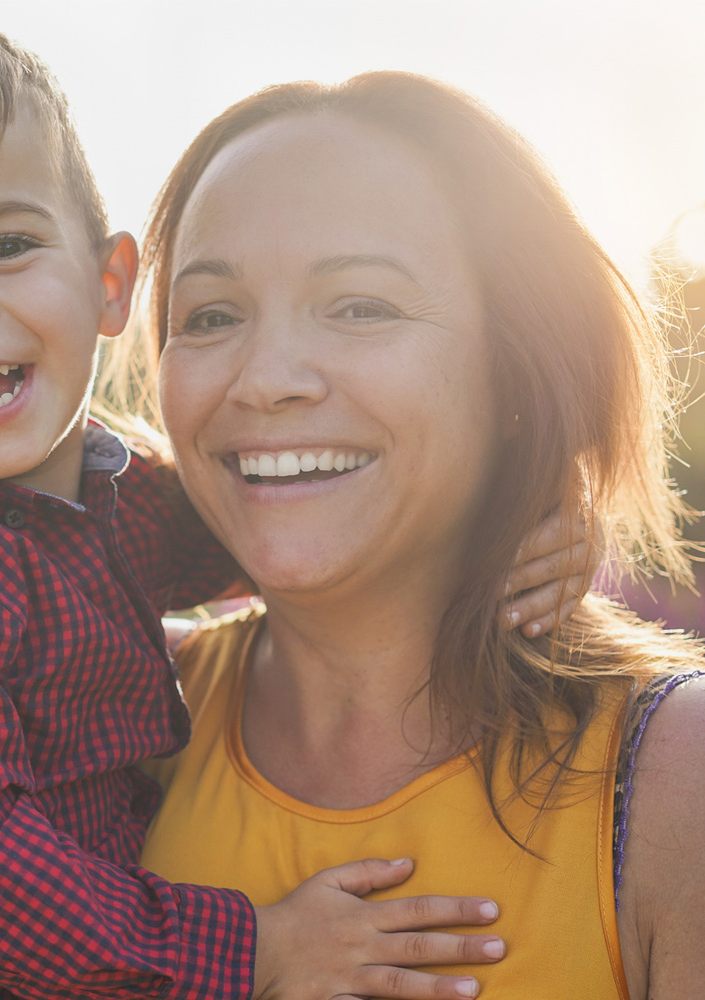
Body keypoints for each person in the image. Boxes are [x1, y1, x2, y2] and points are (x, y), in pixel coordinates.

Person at [0, 25, 591, 1000]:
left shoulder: (107, 483)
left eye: (6, 245)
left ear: (109, 284)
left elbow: (286, 511)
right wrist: (254, 950)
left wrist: (523, 515)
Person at [137, 71, 705, 999]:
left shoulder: (677, 781)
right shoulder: (113, 723)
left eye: (361, 306)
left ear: (515, 371)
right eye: (210, 316)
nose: (265, 378)